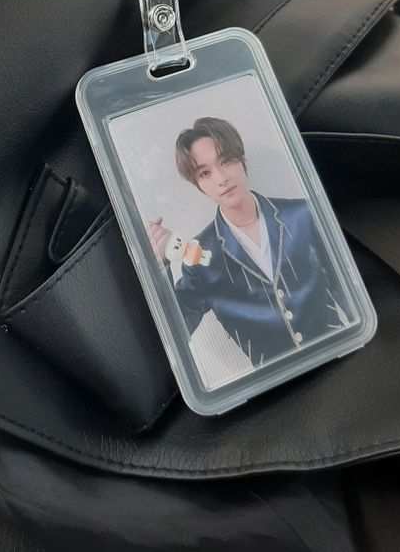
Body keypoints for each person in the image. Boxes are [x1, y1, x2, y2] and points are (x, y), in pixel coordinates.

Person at [147, 117, 348, 369]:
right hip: (280, 390)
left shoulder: (304, 214)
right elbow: (176, 332)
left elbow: (348, 289)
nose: (221, 178)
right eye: (205, 173)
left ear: (243, 161)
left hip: (342, 359)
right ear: (199, 185)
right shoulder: (199, 256)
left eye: (226, 161)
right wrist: (158, 267)